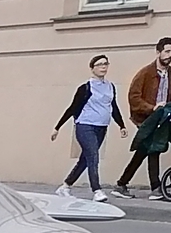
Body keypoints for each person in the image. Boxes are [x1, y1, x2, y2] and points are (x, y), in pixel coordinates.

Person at [115, 37, 171, 192]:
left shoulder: (170, 73)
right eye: (167, 51)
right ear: (158, 52)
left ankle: (122, 183)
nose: (170, 55)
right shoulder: (145, 73)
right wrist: (151, 107)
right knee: (154, 148)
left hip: (162, 117)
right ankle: (156, 187)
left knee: (144, 150)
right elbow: (134, 97)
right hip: (146, 118)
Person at [50, 53, 125, 200]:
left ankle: (65, 186)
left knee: (85, 160)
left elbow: (113, 106)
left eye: (105, 64)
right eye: (99, 64)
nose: (103, 67)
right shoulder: (85, 88)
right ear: (92, 69)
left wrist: (121, 125)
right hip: (85, 126)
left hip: (102, 127)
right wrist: (57, 127)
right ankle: (97, 190)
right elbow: (72, 108)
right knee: (93, 157)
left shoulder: (110, 87)